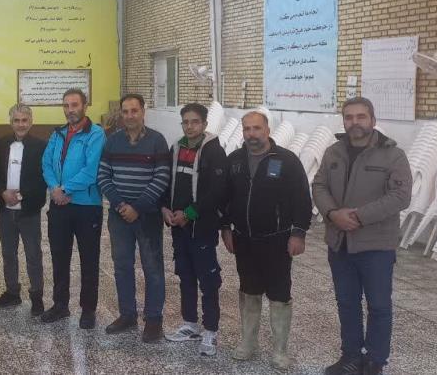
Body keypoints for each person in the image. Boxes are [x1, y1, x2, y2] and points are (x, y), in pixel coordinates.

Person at [313, 98, 411, 375]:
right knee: (347, 303)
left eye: (361, 117)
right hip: (339, 243)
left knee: (379, 305)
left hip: (376, 245)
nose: (354, 122)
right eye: (349, 117)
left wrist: (358, 217)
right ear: (343, 120)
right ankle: (351, 357)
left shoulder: (393, 155)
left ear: (373, 120)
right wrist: (333, 213)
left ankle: (375, 362)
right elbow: (319, 185)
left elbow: (400, 196)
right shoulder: (333, 152)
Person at [221, 111, 312, 369]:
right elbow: (224, 197)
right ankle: (248, 342)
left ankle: (280, 350)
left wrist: (298, 233)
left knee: (279, 294)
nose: (252, 134)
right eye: (247, 129)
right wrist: (225, 227)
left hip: (277, 241)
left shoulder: (286, 160)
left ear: (267, 130)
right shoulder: (234, 160)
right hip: (244, 239)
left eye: (257, 128)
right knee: (248, 290)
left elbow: (302, 199)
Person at [97, 94, 171, 342]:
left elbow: (162, 178)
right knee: (122, 266)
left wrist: (137, 207)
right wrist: (121, 205)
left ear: (143, 112)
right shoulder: (112, 141)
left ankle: (153, 319)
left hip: (147, 216)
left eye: (134, 111)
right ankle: (127, 314)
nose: (129, 116)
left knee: (153, 267)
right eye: (125, 111)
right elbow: (103, 176)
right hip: (119, 216)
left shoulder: (157, 141)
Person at [162, 102, 228, 356]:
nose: (189, 127)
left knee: (208, 280)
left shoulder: (213, 151)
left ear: (204, 124)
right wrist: (165, 209)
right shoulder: (176, 148)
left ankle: (210, 330)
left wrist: (190, 213)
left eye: (195, 122)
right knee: (185, 276)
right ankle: (190, 324)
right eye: (186, 122)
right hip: (178, 228)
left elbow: (217, 190)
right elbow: (168, 181)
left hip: (202, 227)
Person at [40, 88, 107, 329]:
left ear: (85, 106)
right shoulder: (57, 133)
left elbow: (91, 170)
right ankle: (60, 304)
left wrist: (65, 189)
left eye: (75, 105)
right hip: (59, 206)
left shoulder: (96, 134)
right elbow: (46, 163)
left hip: (86, 206)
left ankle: (88, 309)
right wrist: (54, 189)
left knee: (89, 259)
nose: (70, 110)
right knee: (59, 257)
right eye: (66, 105)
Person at [0, 104, 47, 315]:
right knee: (8, 253)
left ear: (31, 122)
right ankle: (12, 292)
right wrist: (2, 192)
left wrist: (21, 196)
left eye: (24, 120)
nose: (21, 125)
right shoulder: (2, 144)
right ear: (10, 122)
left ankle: (37, 296)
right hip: (6, 210)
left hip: (29, 211)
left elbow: (42, 178)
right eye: (16, 120)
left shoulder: (41, 146)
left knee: (33, 254)